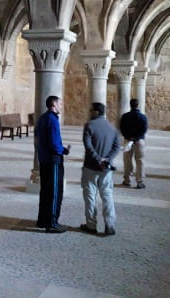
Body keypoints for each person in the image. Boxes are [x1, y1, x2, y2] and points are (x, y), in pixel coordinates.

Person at [80, 103, 121, 236]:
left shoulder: (89, 125)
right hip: (106, 170)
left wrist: (98, 159)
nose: (90, 112)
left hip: (90, 167)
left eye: (91, 110)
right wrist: (107, 160)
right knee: (107, 195)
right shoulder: (112, 128)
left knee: (90, 196)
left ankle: (91, 225)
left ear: (96, 112)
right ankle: (110, 224)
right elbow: (116, 147)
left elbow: (87, 145)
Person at [35, 96, 71, 233]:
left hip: (43, 160)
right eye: (60, 103)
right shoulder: (52, 120)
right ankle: (52, 223)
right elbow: (55, 144)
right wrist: (64, 150)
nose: (61, 105)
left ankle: (42, 220)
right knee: (55, 192)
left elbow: (38, 136)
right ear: (54, 104)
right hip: (53, 161)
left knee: (45, 191)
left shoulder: (42, 118)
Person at [120, 98, 148, 189]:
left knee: (127, 161)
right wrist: (136, 138)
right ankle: (140, 182)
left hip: (127, 140)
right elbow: (144, 130)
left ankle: (127, 180)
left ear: (130, 105)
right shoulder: (143, 117)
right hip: (139, 141)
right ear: (138, 105)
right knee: (140, 161)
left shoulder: (125, 116)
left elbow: (122, 129)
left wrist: (129, 138)